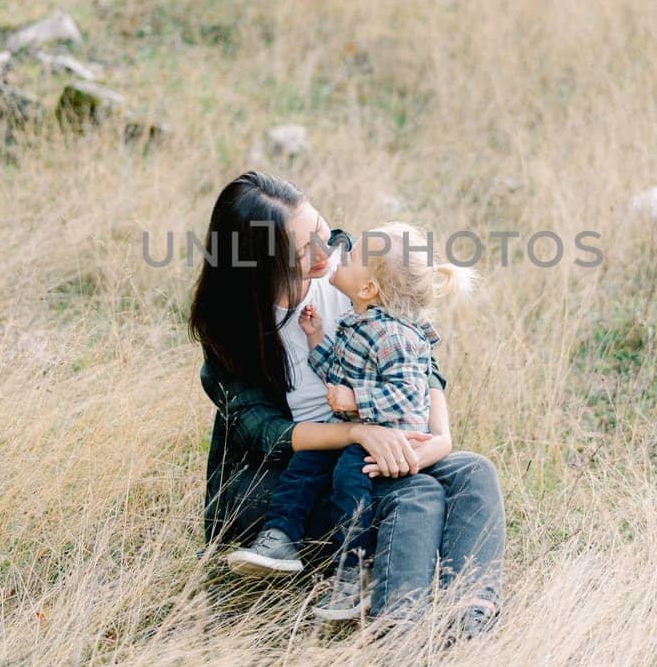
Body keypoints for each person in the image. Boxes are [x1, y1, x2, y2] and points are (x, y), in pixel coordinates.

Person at [189, 171, 504, 637]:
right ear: (262, 266)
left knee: (473, 472)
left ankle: (470, 610)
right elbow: (267, 432)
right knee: (414, 493)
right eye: (304, 251)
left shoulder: (354, 270)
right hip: (287, 480)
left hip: (367, 448)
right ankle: (398, 625)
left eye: (320, 229)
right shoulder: (230, 330)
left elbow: (416, 345)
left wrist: (439, 438)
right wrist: (360, 432)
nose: (326, 251)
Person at [225, 222, 476, 621]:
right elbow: (336, 374)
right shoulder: (357, 321)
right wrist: (316, 338)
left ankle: (355, 567)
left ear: (367, 289)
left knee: (349, 478)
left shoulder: (394, 335)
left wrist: (359, 401)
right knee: (306, 464)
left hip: (391, 435)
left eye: (352, 256)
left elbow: (408, 394)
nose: (337, 252)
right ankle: (280, 537)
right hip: (350, 427)